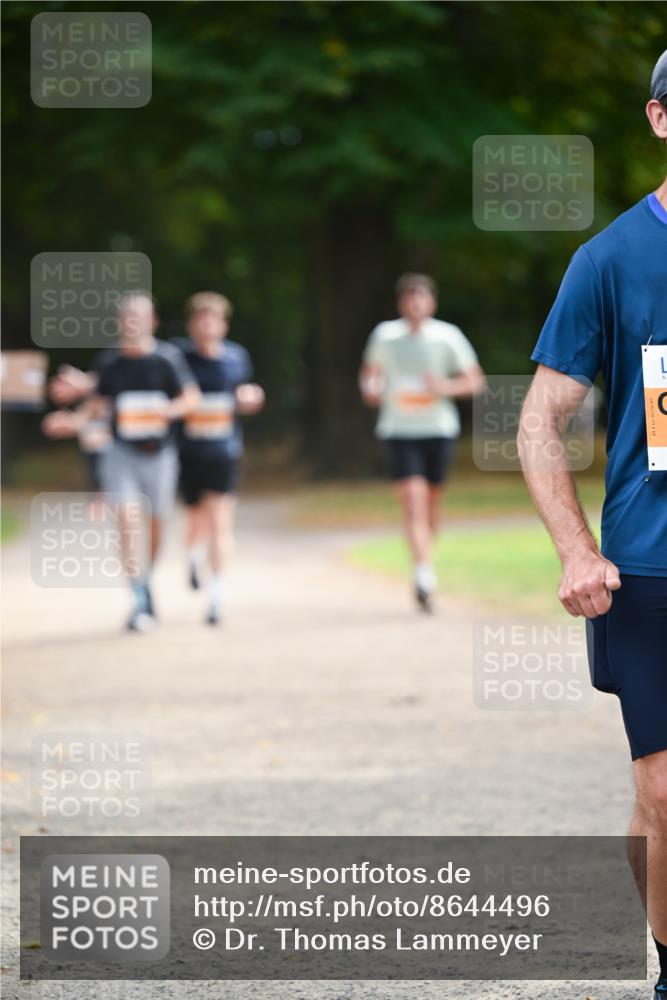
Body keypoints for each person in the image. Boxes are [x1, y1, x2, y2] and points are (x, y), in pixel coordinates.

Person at [518, 51, 667, 999]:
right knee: (663, 792)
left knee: (659, 804)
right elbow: (538, 422)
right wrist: (577, 548)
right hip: (649, 570)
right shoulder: (609, 259)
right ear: (659, 119)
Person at [43, 291, 199, 632]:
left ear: (152, 321)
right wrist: (72, 423)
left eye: (139, 316)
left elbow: (190, 397)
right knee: (127, 519)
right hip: (121, 453)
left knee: (157, 524)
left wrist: (168, 410)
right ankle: (139, 597)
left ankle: (146, 578)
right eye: (127, 316)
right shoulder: (110, 362)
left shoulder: (167, 359)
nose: (133, 322)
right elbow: (96, 406)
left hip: (160, 455)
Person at [359, 273, 486, 612]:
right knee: (412, 501)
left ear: (431, 302)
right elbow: (369, 374)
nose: (416, 303)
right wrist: (371, 388)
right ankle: (423, 575)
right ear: (402, 303)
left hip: (438, 429)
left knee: (430, 504)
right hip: (398, 430)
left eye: (422, 297)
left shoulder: (448, 336)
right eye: (409, 297)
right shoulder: (385, 335)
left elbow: (475, 382)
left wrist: (443, 387)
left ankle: (424, 561)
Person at [173, 292, 264, 625]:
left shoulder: (236, 358)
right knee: (194, 519)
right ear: (192, 324)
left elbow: (244, 392)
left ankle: (216, 596)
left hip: (224, 451)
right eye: (201, 318)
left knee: (220, 520)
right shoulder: (178, 357)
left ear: (223, 324)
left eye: (214, 318)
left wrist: (250, 397)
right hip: (187, 451)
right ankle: (193, 558)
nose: (207, 325)